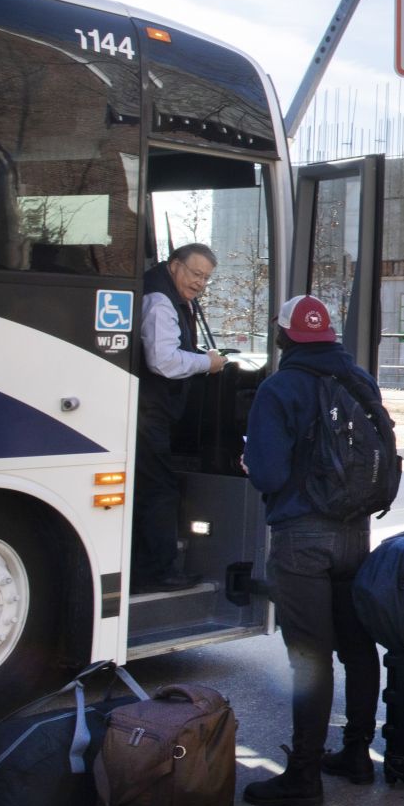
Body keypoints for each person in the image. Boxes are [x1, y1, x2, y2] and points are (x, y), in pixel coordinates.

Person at [240, 295, 391, 806]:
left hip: (302, 538)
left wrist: (251, 461)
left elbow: (269, 474)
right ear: (328, 334)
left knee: (309, 656)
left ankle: (303, 775)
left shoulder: (279, 387)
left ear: (283, 337)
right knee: (356, 646)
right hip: (354, 532)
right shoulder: (359, 380)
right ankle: (356, 753)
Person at [134, 242, 226, 592]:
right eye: (195, 273)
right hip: (148, 412)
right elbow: (164, 360)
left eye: (206, 278)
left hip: (150, 410)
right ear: (174, 266)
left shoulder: (169, 295)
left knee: (151, 487)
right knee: (160, 489)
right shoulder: (160, 301)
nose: (200, 283)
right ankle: (160, 571)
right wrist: (208, 362)